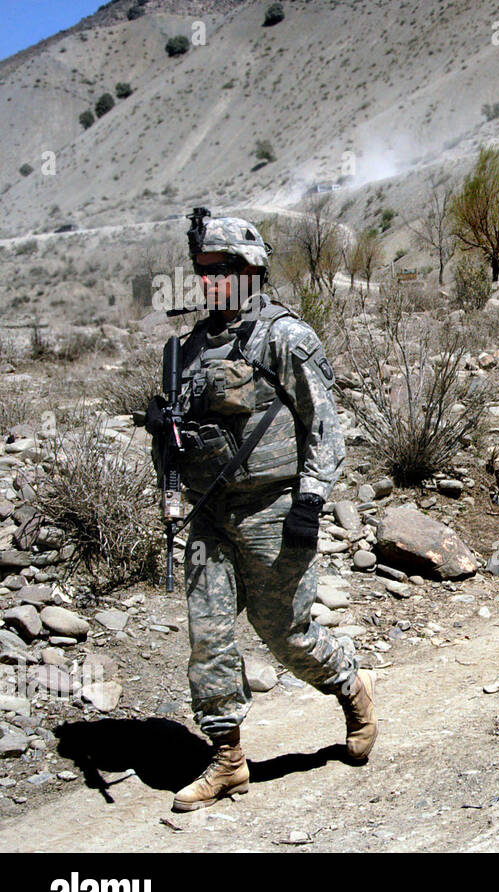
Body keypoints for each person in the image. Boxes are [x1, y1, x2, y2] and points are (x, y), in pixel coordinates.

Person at [145, 213, 376, 813]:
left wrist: (310, 499)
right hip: (210, 513)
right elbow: (184, 435)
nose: (209, 281)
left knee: (287, 634)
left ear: (250, 272)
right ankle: (227, 761)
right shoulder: (189, 350)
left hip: (273, 509)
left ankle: (350, 682)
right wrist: (164, 437)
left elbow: (324, 425)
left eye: (221, 270)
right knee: (210, 637)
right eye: (203, 271)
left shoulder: (286, 338)